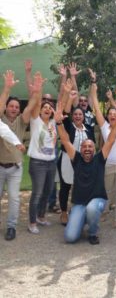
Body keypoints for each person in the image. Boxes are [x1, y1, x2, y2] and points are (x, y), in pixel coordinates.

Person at [54, 98, 116, 245]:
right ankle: (81, 219)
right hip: (79, 202)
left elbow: (111, 140)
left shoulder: (100, 158)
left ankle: (92, 232)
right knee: (70, 237)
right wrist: (59, 123)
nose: (87, 149)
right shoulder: (77, 159)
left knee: (92, 208)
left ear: (95, 149)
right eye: (84, 147)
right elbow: (66, 141)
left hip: (97, 200)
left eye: (90, 147)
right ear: (80, 149)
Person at [90, 80, 116, 228]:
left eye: (115, 113)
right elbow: (97, 109)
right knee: (105, 191)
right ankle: (104, 213)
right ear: (107, 117)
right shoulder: (105, 126)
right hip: (107, 164)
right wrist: (94, 92)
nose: (113, 115)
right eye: (110, 113)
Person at [0, 69, 35, 240]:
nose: (14, 108)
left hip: (15, 168)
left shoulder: (22, 120)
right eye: (11, 106)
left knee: (14, 199)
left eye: (16, 107)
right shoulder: (1, 119)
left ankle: (11, 227)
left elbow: (32, 104)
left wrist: (35, 91)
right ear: (6, 107)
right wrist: (7, 89)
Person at [57, 89, 94, 225]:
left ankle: (77, 210)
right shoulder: (68, 126)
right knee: (65, 186)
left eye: (80, 114)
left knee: (80, 186)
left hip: (83, 162)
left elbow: (93, 145)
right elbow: (65, 112)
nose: (78, 116)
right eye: (76, 114)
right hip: (67, 159)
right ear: (73, 116)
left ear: (83, 116)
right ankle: (63, 212)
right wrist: (69, 97)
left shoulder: (89, 129)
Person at [27, 72, 57, 234]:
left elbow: (64, 103)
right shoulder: (35, 121)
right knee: (37, 193)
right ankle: (32, 222)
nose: (46, 109)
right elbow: (37, 103)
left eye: (49, 108)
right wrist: (39, 88)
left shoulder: (53, 123)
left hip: (51, 162)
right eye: (44, 107)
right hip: (37, 163)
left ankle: (41, 216)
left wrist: (65, 92)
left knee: (47, 191)